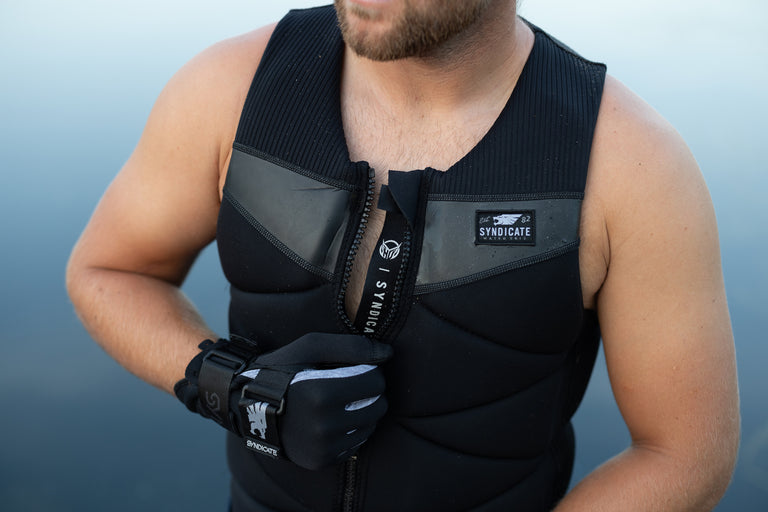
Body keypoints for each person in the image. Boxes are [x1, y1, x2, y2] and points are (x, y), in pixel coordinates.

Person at [66, 1, 740, 510]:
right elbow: (109, 271)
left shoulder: (631, 166)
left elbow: (686, 454)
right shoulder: (228, 92)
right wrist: (232, 387)